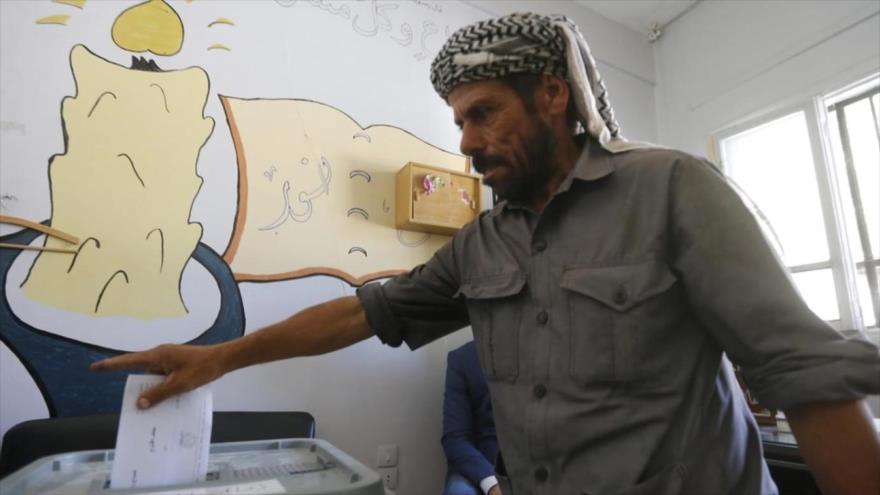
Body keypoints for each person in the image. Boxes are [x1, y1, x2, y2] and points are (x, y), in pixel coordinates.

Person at [93, 12, 880, 495]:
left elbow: (806, 376)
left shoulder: (674, 189)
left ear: (552, 95)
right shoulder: (481, 243)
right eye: (459, 121)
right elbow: (367, 311)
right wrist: (222, 356)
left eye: (482, 113)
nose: (466, 141)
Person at [442, 341, 499, 495]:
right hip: (486, 466)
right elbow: (455, 438)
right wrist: (492, 484)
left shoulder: (551, 351)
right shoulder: (463, 359)